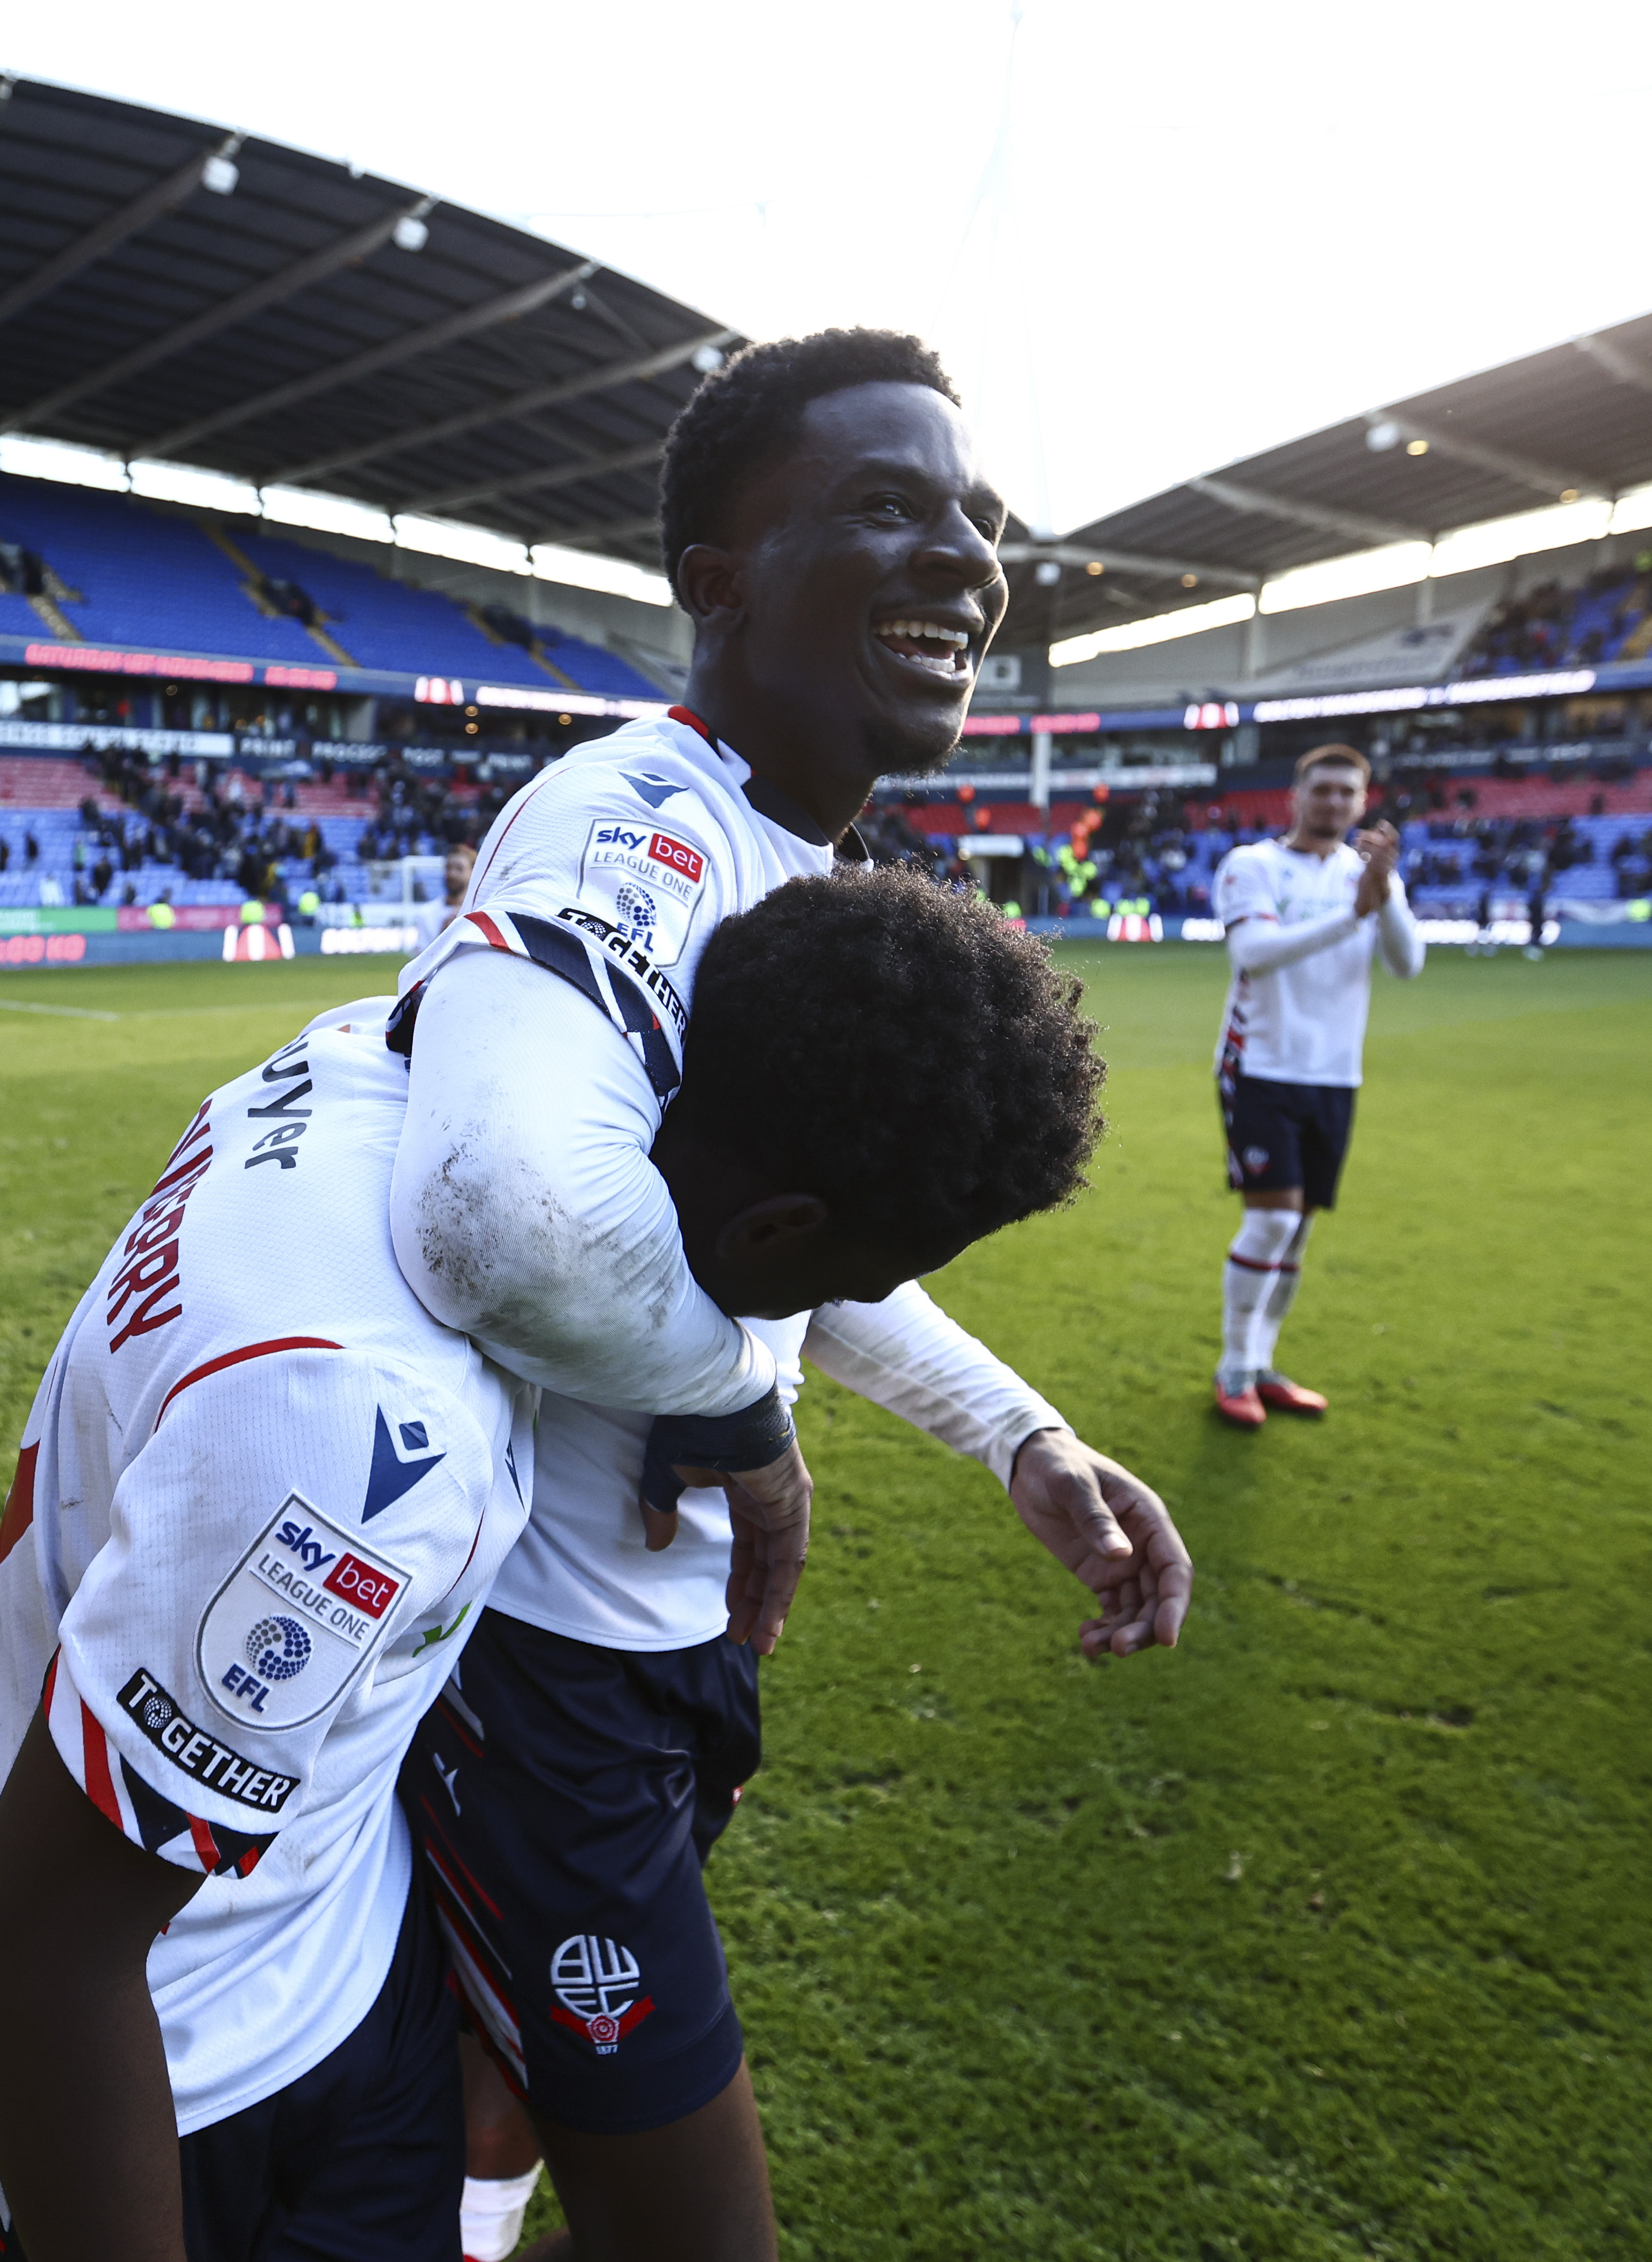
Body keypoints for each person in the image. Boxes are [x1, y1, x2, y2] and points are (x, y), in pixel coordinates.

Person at [0, 869, 1141, 2262]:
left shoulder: (372, 1057)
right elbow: (45, 1957)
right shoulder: (365, 1434)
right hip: (139, 2073)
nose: (852, 1316)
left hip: (343, 1971)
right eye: (866, 1279)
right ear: (774, 1236)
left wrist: (1009, 1428)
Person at [377, 330, 1192, 2262]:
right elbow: (503, 1211)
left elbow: (780, 1250)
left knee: (493, 2105)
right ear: (717, 579)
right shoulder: (636, 830)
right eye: (887, 508)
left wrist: (1019, 1433)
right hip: (541, 1656)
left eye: (980, 521)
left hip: (642, 1652)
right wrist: (748, 1426)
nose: (967, 561)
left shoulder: (773, 854)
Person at [1204, 744, 1422, 1427]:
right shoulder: (1253, 865)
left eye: (1346, 793)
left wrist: (1379, 897)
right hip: (1260, 1065)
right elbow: (1253, 954)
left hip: (1333, 1072)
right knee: (1269, 1218)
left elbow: (1407, 964)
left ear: (1363, 803)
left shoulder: (1370, 877)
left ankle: (1264, 1365)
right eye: (1321, 790)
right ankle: (1233, 1368)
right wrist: (1353, 912)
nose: (1333, 803)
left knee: (1296, 1231)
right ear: (1296, 796)